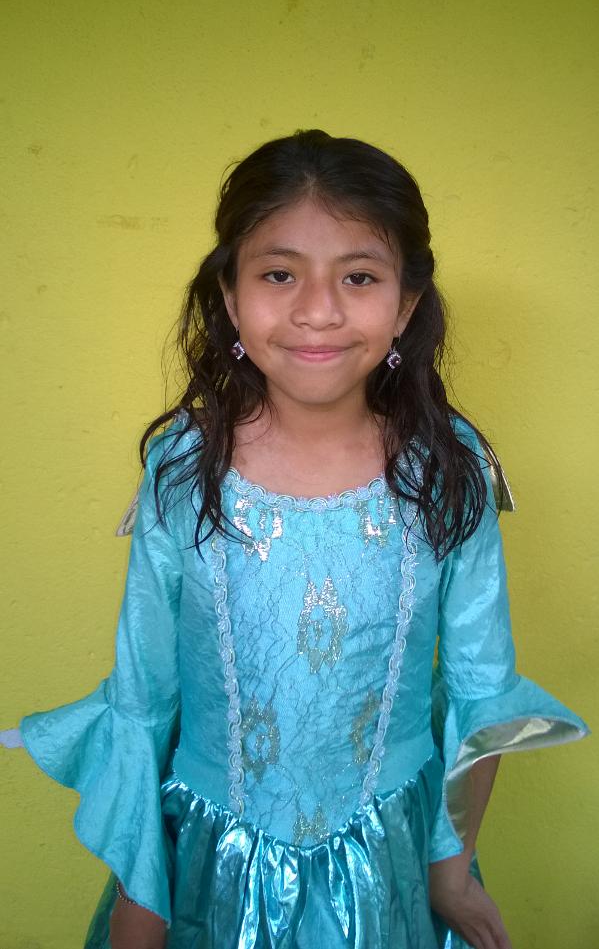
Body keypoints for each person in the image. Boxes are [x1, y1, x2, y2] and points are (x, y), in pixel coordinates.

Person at [1, 129, 589, 949]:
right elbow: (144, 691)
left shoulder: (448, 468)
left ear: (406, 303)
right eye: (279, 274)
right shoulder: (183, 467)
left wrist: (449, 871)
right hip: (207, 872)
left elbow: (479, 684)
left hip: (387, 872)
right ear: (230, 297)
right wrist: (141, 892)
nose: (318, 310)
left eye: (359, 276)